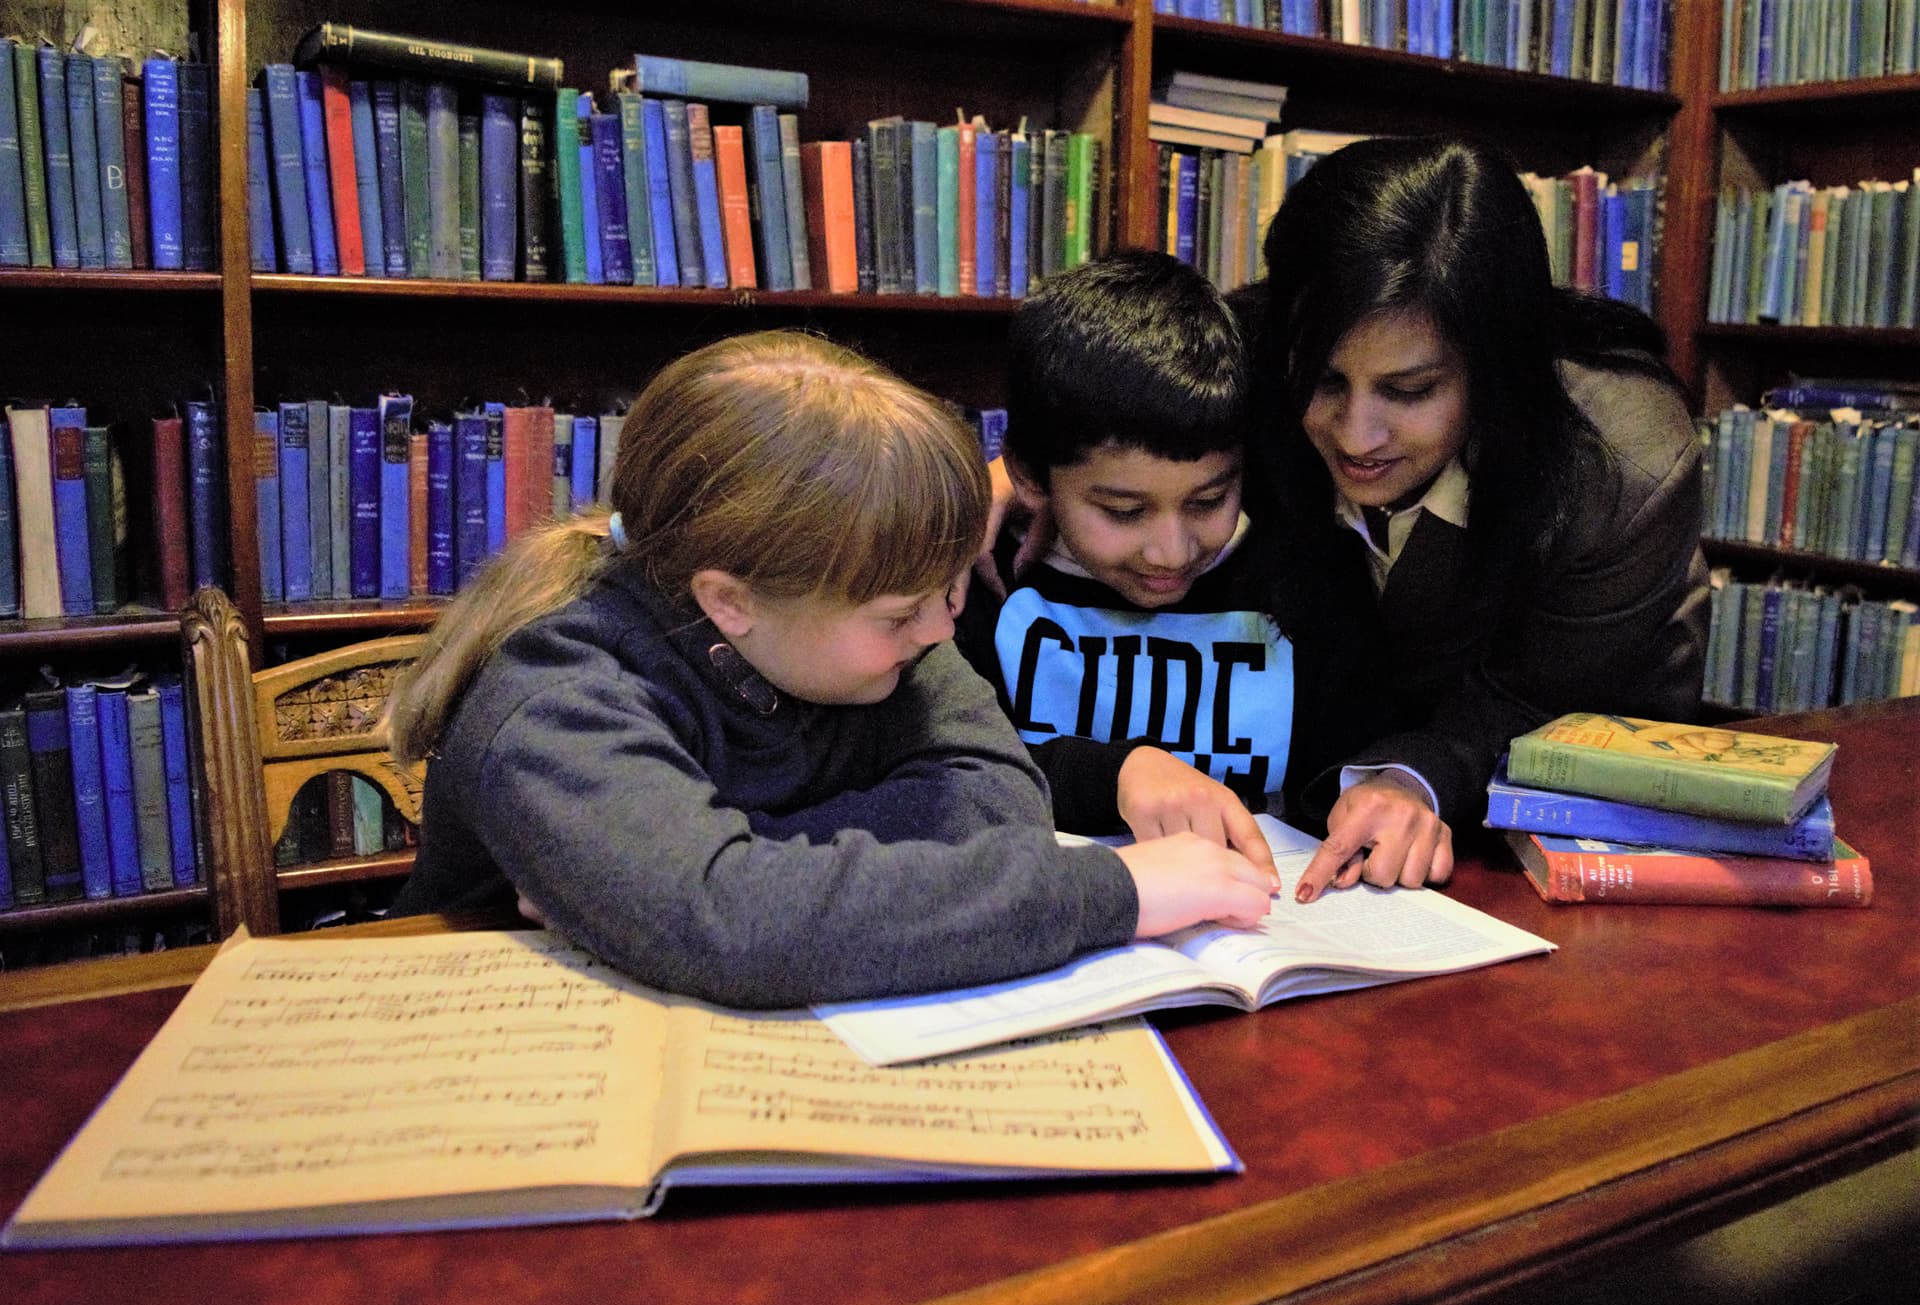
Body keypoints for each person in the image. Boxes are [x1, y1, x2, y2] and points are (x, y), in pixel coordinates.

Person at [388, 330, 1276, 1010]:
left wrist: (708, 874)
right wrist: (1107, 892)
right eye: (901, 612)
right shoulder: (555, 693)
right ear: (730, 603)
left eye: (949, 590)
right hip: (497, 1055)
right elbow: (730, 927)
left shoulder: (890, 631)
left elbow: (1001, 804)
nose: (941, 627)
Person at [1234, 135, 1710, 898]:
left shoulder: (1626, 464)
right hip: (1331, 787)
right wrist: (1019, 477)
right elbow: (1116, 426)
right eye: (1325, 380)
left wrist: (1410, 775)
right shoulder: (1254, 342)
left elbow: (1540, 696)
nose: (1356, 436)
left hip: (1554, 790)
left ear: (1494, 370)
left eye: (1410, 390)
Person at [956, 250, 1383, 874]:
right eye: (1124, 511)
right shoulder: (981, 581)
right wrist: (1115, 775)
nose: (1171, 551)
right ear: (1028, 475)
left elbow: (1350, 768)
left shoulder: (1307, 574)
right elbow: (948, 771)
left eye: (1208, 500)